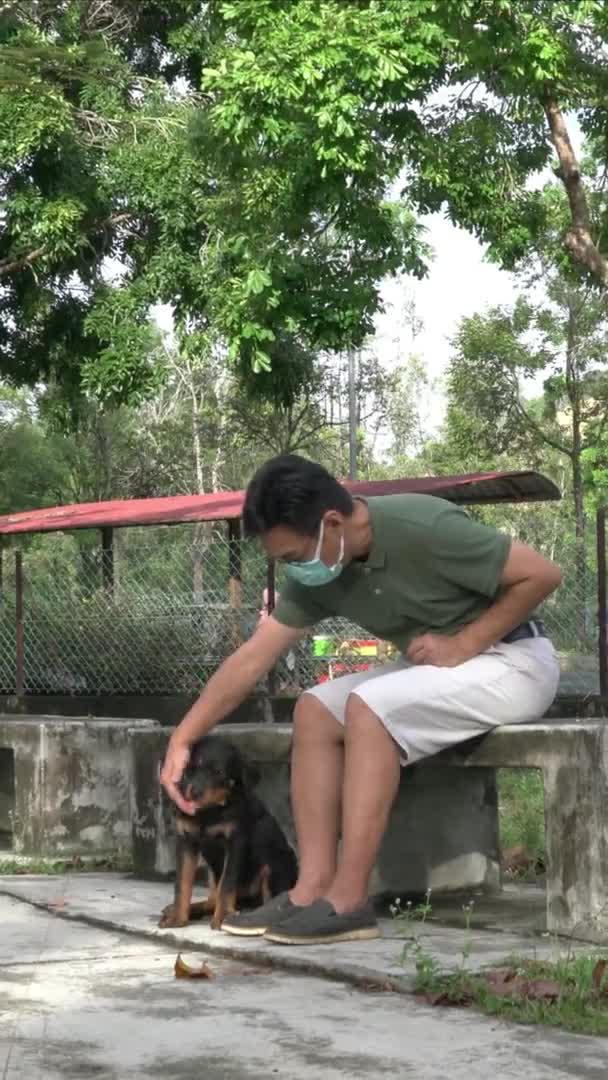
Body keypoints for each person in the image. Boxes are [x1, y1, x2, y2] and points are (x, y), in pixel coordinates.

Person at [161, 455, 561, 946]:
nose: (292, 570)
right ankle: (311, 890)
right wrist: (183, 738)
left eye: (291, 557)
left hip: (515, 661)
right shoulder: (327, 567)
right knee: (314, 709)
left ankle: (350, 901)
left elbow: (542, 574)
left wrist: (464, 643)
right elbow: (251, 660)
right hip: (439, 668)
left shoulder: (421, 524)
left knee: (369, 706)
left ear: (331, 523)